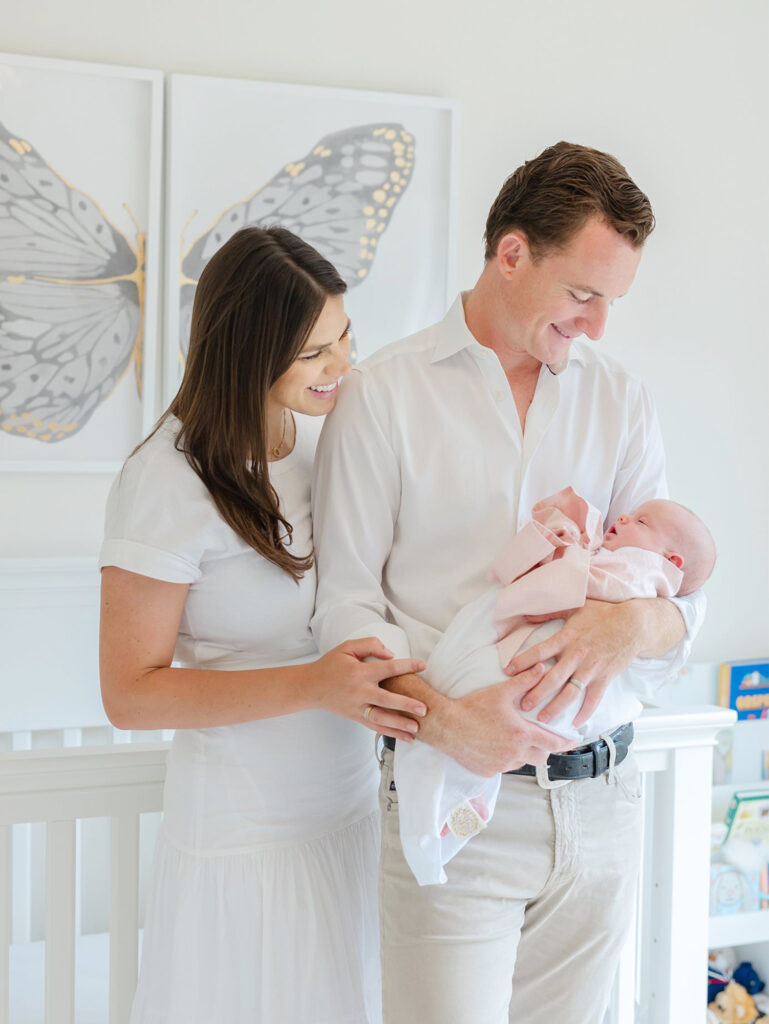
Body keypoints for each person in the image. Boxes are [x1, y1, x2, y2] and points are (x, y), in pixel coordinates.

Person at [311, 142, 707, 1022]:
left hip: (602, 804)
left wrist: (630, 629)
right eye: (582, 294)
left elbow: (674, 590)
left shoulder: (620, 399)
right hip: (453, 797)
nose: (598, 324)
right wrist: (449, 723)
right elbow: (342, 609)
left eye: (612, 301)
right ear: (511, 253)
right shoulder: (385, 396)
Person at [98, 226, 427, 1024]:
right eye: (314, 353)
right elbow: (130, 696)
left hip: (346, 811)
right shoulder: (166, 480)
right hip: (246, 837)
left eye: (345, 338)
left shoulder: (322, 444)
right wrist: (317, 687)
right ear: (247, 350)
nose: (341, 368)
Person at [393, 487, 716, 886]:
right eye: (633, 514)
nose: (626, 518)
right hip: (511, 676)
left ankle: (443, 823)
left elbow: (607, 594)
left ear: (671, 561)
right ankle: (446, 821)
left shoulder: (644, 573)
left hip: (565, 711)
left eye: (642, 521)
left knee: (494, 724)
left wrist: (574, 554)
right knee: (468, 725)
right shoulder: (611, 557)